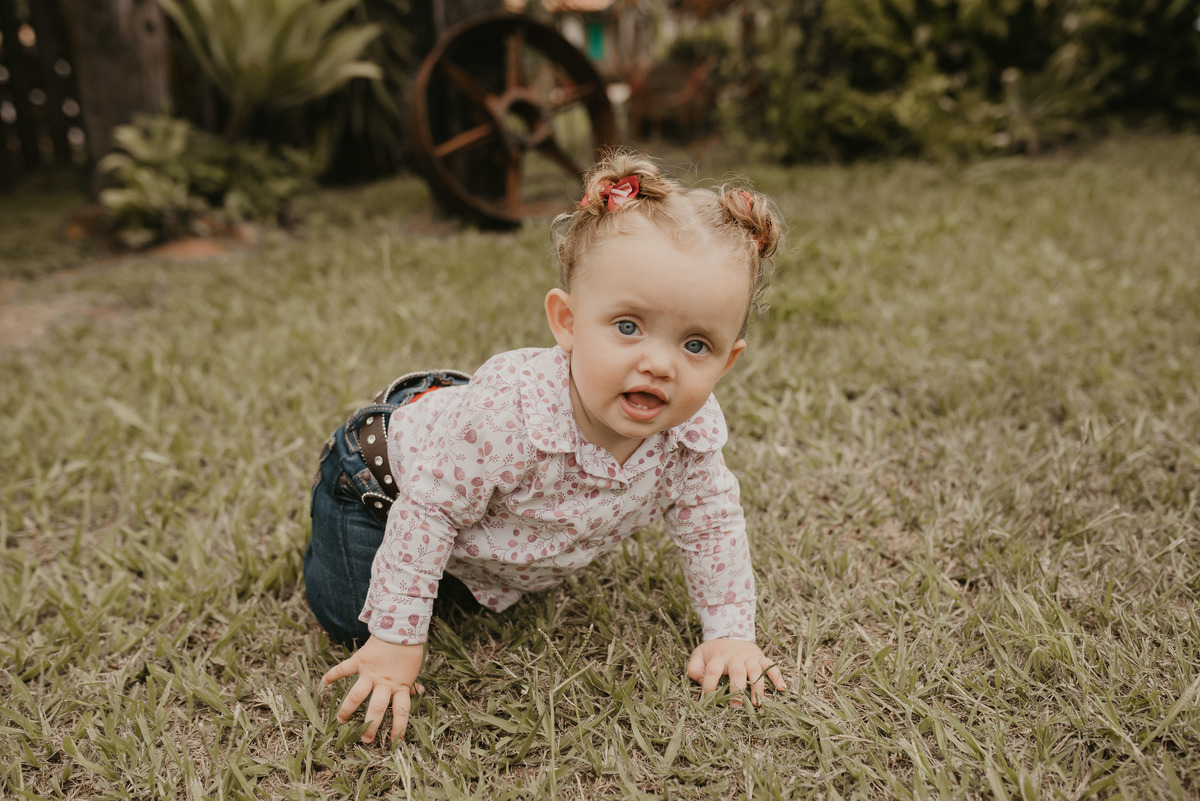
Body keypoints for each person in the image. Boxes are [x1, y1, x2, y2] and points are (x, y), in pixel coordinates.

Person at [305, 150, 788, 746]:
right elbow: (428, 513)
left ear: (727, 361)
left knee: (471, 595)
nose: (660, 364)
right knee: (356, 624)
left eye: (695, 345)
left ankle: (459, 568)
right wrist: (395, 645)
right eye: (628, 327)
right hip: (381, 485)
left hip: (470, 476)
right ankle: (347, 539)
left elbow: (711, 523)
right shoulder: (508, 418)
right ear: (567, 322)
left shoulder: (690, 434)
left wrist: (731, 632)